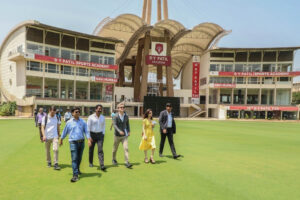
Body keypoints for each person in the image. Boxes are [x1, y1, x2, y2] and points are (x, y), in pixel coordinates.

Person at [60, 107, 92, 183]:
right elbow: (65, 131)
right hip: (73, 142)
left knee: (79, 158)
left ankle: (77, 169)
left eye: (78, 112)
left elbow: (86, 131)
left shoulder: (83, 122)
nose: (77, 113)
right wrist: (61, 139)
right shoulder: (69, 122)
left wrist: (89, 139)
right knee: (74, 158)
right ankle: (75, 175)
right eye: (76, 112)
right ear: (72, 113)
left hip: (81, 142)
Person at [112, 103, 132, 168]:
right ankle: (114, 159)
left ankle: (127, 162)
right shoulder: (115, 116)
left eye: (123, 107)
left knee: (126, 148)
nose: (122, 108)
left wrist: (129, 131)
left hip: (124, 136)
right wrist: (119, 131)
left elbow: (127, 124)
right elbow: (114, 125)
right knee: (115, 149)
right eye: (121, 107)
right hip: (117, 136)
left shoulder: (126, 116)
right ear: (118, 109)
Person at [41, 106, 61, 170]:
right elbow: (42, 127)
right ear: (49, 111)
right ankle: (49, 162)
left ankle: (56, 163)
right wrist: (44, 135)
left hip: (55, 136)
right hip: (47, 136)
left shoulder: (57, 117)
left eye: (54, 112)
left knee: (56, 149)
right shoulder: (45, 118)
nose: (53, 113)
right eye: (52, 112)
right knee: (47, 150)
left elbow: (58, 126)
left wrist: (58, 133)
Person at [87, 104, 106, 171]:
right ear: (95, 109)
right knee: (91, 150)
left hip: (100, 135)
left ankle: (102, 164)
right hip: (92, 135)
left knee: (100, 150)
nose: (99, 110)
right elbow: (88, 128)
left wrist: (103, 134)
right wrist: (89, 138)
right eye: (98, 109)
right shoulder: (90, 117)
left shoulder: (103, 117)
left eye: (100, 109)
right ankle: (91, 162)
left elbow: (103, 126)